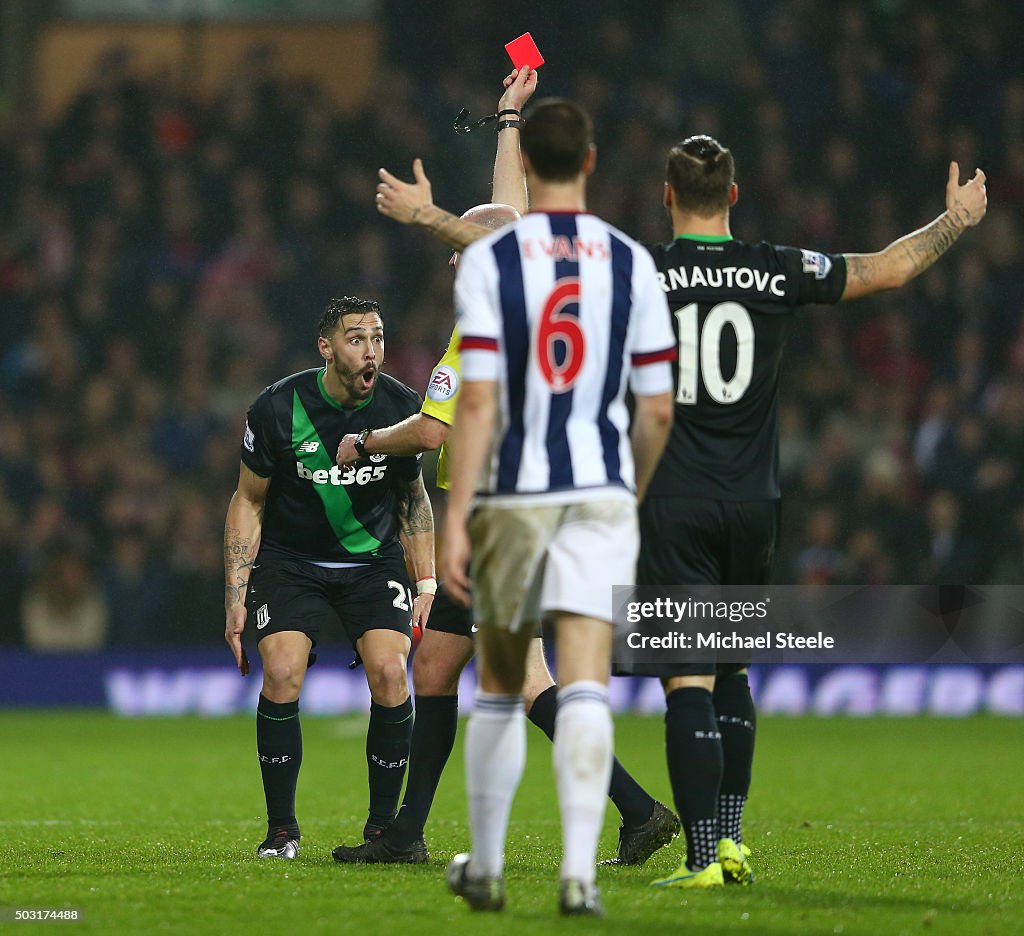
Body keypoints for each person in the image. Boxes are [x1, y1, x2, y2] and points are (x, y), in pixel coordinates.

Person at [372, 134, 988, 890]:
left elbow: (529, 252)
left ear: (665, 196)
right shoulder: (776, 267)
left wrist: (427, 212)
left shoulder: (641, 270)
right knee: (735, 670)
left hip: (672, 500)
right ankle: (729, 843)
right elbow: (889, 269)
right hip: (756, 501)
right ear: (733, 195)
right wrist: (955, 220)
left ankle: (697, 853)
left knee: (685, 680)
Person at [332, 71, 678, 870]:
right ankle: (407, 833)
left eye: (462, 252)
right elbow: (510, 216)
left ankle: (636, 809)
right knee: (437, 663)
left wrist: (365, 444)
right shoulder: (526, 297)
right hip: (527, 505)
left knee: (523, 680)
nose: (454, 263)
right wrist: (508, 119)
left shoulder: (478, 331)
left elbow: (429, 427)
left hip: (497, 517)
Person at [436, 97, 674, 917]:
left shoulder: (496, 263)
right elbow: (658, 409)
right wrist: (628, 493)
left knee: (501, 686)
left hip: (513, 494)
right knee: (583, 686)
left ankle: (489, 867)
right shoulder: (631, 262)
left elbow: (476, 403)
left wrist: (459, 510)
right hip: (600, 490)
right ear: (593, 162)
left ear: (527, 168)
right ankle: (579, 875)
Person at [223, 296, 435, 860]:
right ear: (327, 348)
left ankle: (385, 830)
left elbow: (414, 499)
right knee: (284, 672)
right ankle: (281, 830)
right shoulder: (276, 407)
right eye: (357, 339)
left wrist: (427, 582)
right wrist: (236, 595)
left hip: (374, 563)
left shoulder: (400, 405)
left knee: (391, 673)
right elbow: (247, 500)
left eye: (379, 338)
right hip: (292, 563)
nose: (372, 352)